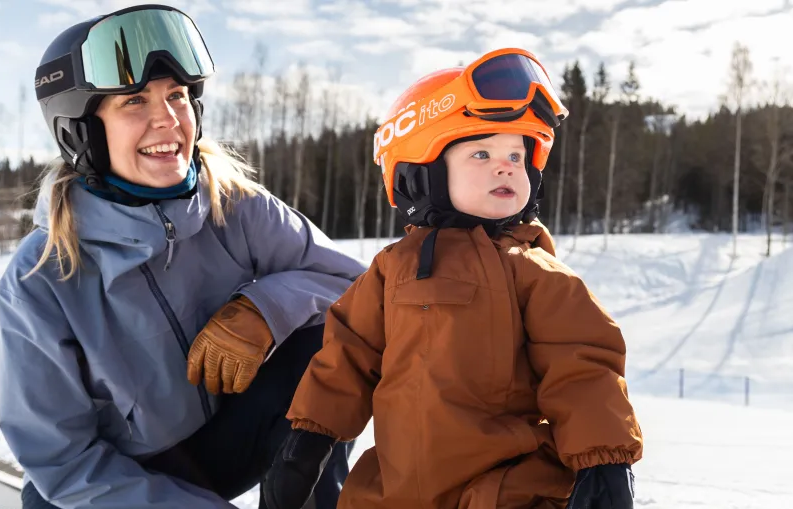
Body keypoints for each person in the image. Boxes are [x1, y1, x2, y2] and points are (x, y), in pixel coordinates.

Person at [0, 5, 365, 508]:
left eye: (177, 96)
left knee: (326, 339)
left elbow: (359, 290)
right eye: (134, 101)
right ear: (80, 132)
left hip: (226, 441)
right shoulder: (40, 277)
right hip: (117, 481)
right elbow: (64, 461)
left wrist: (265, 309)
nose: (168, 119)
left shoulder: (235, 206)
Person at [260, 48, 643, 509]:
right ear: (422, 172)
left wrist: (603, 462)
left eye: (518, 155)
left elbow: (582, 371)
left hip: (506, 493)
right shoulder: (388, 272)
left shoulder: (538, 274)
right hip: (391, 493)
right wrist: (307, 441)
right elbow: (345, 360)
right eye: (481, 152)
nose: (506, 166)